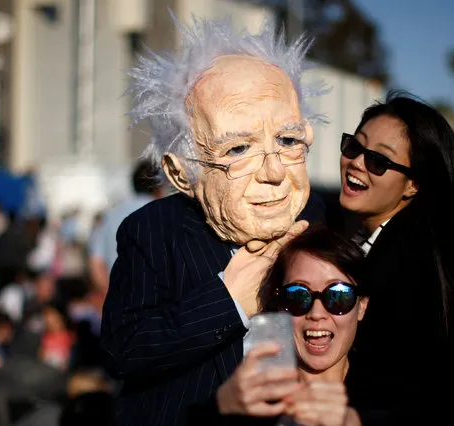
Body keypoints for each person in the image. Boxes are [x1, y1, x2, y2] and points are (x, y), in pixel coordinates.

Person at [100, 14, 327, 426]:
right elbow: (124, 350)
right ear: (179, 172)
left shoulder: (324, 223)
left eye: (289, 140)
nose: (273, 172)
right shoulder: (154, 231)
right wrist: (229, 299)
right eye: (239, 149)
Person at [338, 91, 454, 425]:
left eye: (379, 161)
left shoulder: (409, 264)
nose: (356, 163)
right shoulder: (392, 245)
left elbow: (418, 393)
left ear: (413, 184)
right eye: (354, 146)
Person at [194, 226, 369, 425]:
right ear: (279, 306)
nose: (316, 313)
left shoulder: (395, 397)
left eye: (338, 296)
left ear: (362, 306)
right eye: (297, 296)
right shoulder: (243, 403)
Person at [88, 159, 163, 292]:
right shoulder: (164, 214)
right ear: (159, 188)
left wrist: (110, 294)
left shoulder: (109, 216)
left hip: (121, 298)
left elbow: (96, 263)